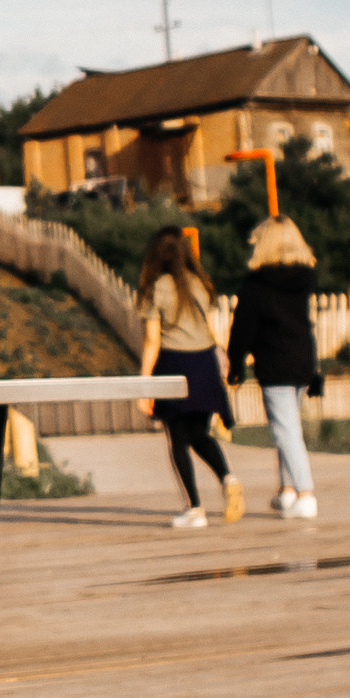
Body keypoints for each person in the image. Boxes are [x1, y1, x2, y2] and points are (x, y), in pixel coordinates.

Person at [137, 225, 243, 528]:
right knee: (198, 433)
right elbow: (210, 328)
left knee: (178, 440)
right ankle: (228, 477)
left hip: (174, 363)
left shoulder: (156, 288)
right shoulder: (200, 283)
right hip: (204, 364)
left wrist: (145, 385)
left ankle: (194, 509)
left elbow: (152, 341)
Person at [228, 212, 323, 519]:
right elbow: (308, 324)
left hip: (274, 362)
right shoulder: (303, 280)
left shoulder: (256, 286)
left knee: (285, 431)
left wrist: (235, 366)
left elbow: (242, 329)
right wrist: (315, 368)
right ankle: (287, 492)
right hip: (301, 360)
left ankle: (306, 494)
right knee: (289, 427)